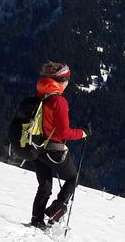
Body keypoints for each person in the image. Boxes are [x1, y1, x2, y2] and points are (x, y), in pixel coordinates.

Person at [30, 61, 87, 228]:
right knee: (72, 177)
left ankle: (37, 220)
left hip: (36, 147)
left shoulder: (40, 94)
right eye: (68, 79)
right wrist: (82, 133)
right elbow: (64, 133)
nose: (68, 83)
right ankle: (57, 208)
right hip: (53, 149)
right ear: (62, 80)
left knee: (45, 185)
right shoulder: (59, 101)